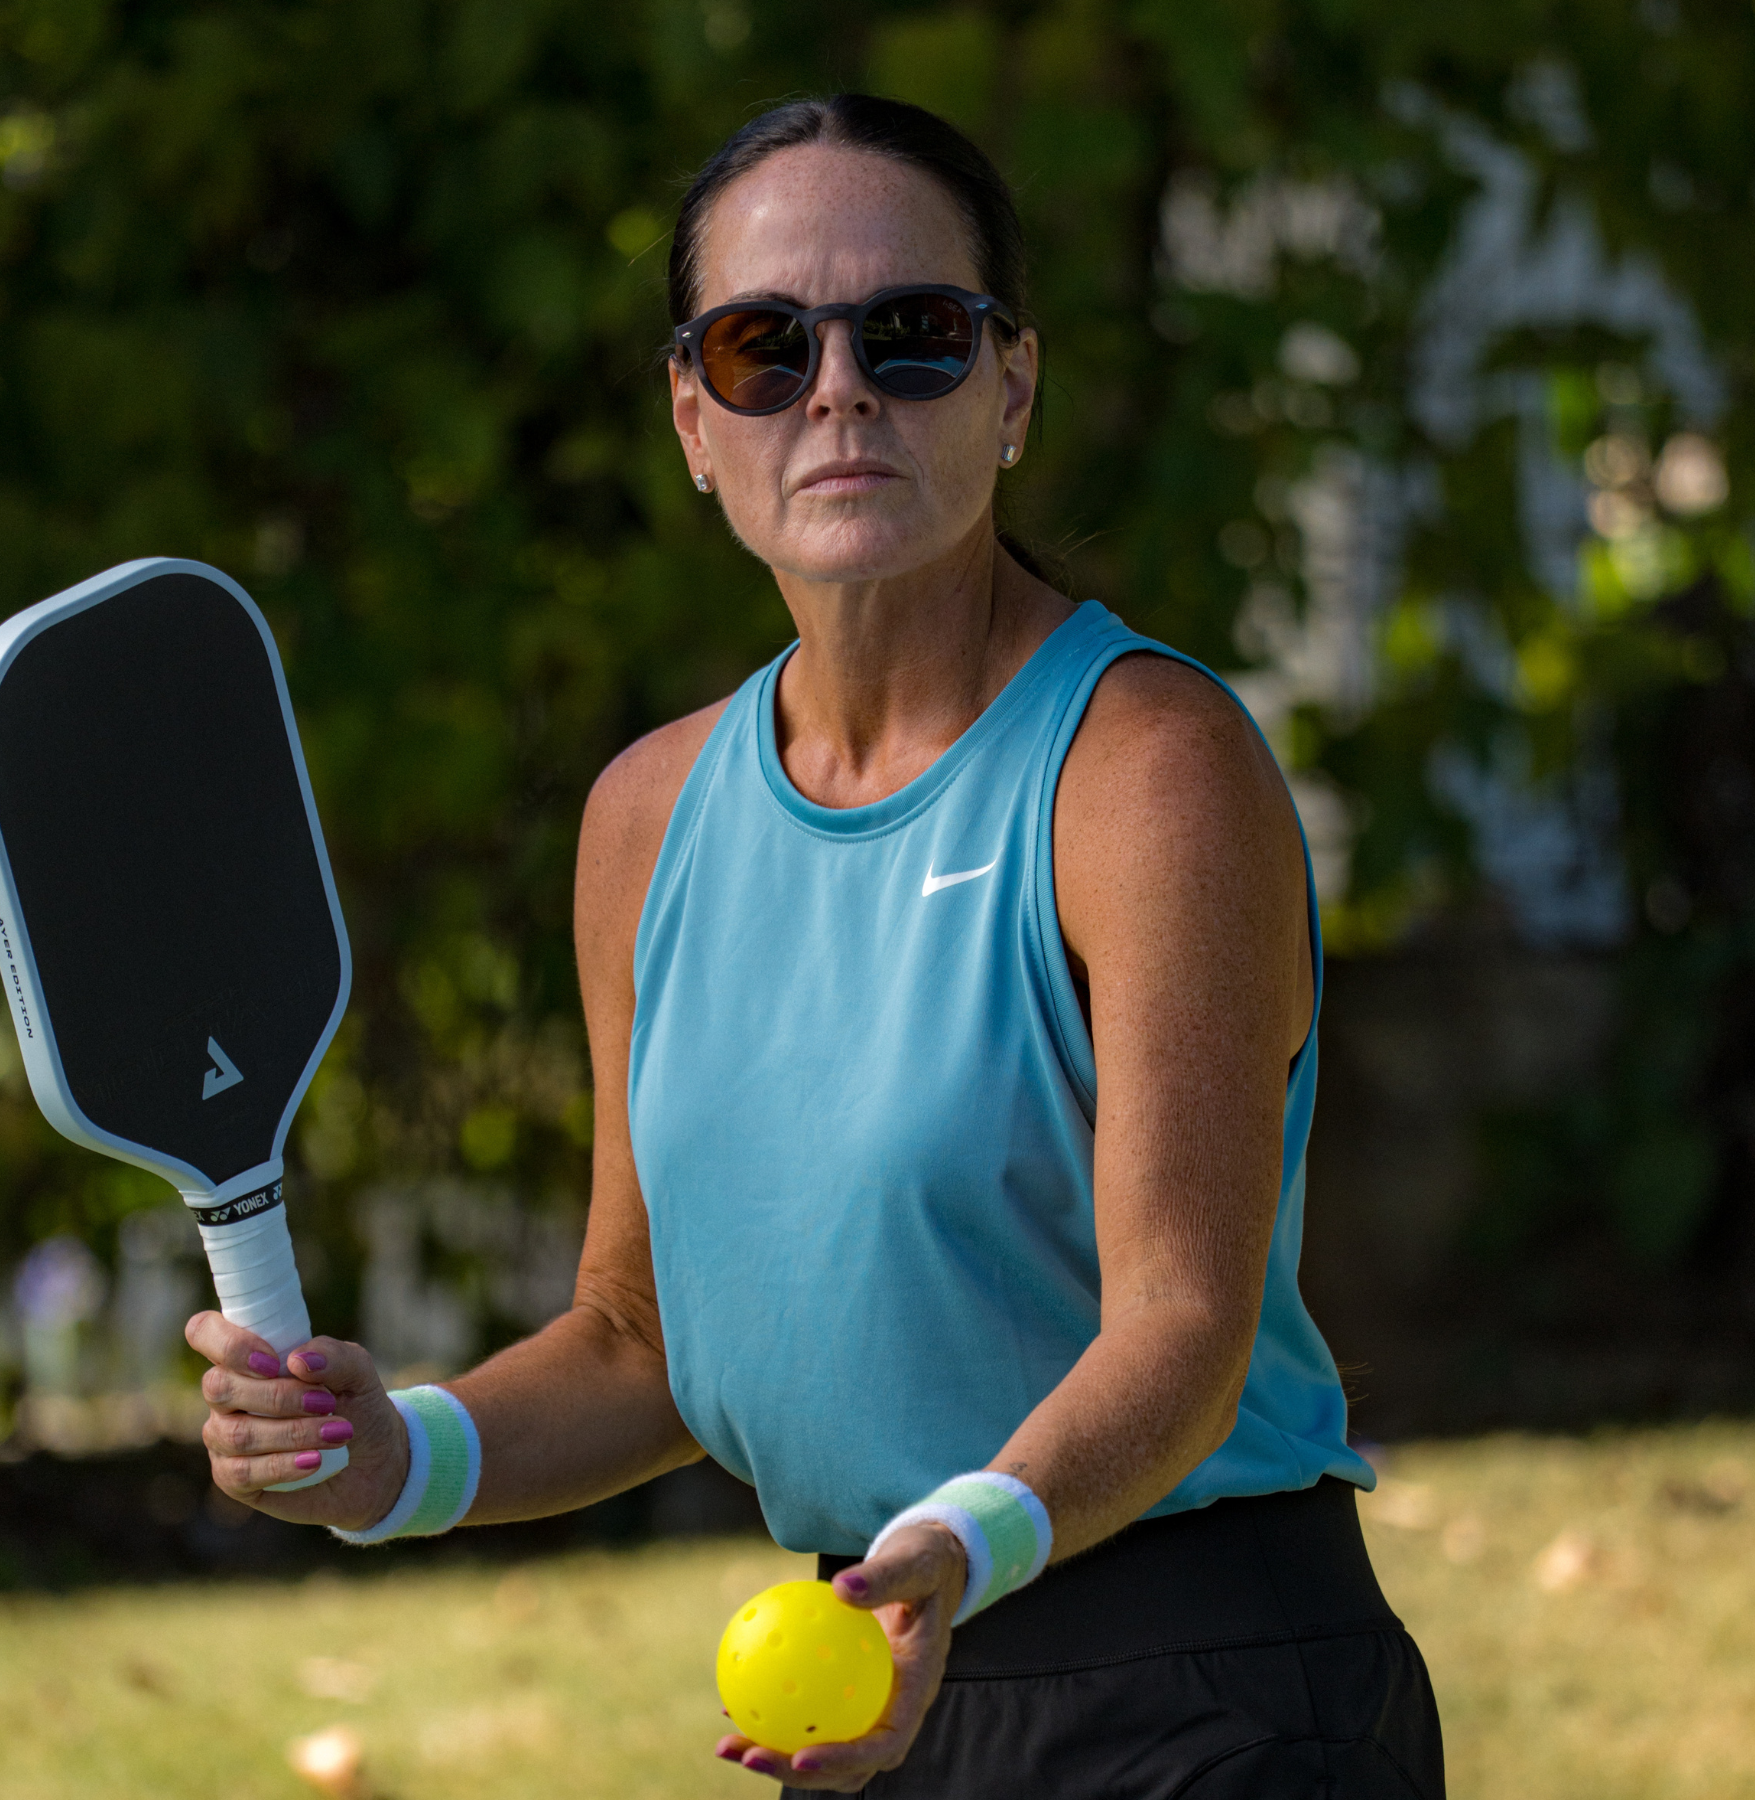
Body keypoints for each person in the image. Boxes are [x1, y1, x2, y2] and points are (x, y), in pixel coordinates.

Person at [185, 93, 1444, 1799]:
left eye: (912, 334)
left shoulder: (1149, 770)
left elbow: (1184, 1327)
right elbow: (636, 1339)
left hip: (1193, 1687)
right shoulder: (645, 816)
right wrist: (394, 1456)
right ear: (696, 422)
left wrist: (952, 1551)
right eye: (766, 346)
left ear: (1012, 386)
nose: (837, 387)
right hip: (873, 1681)